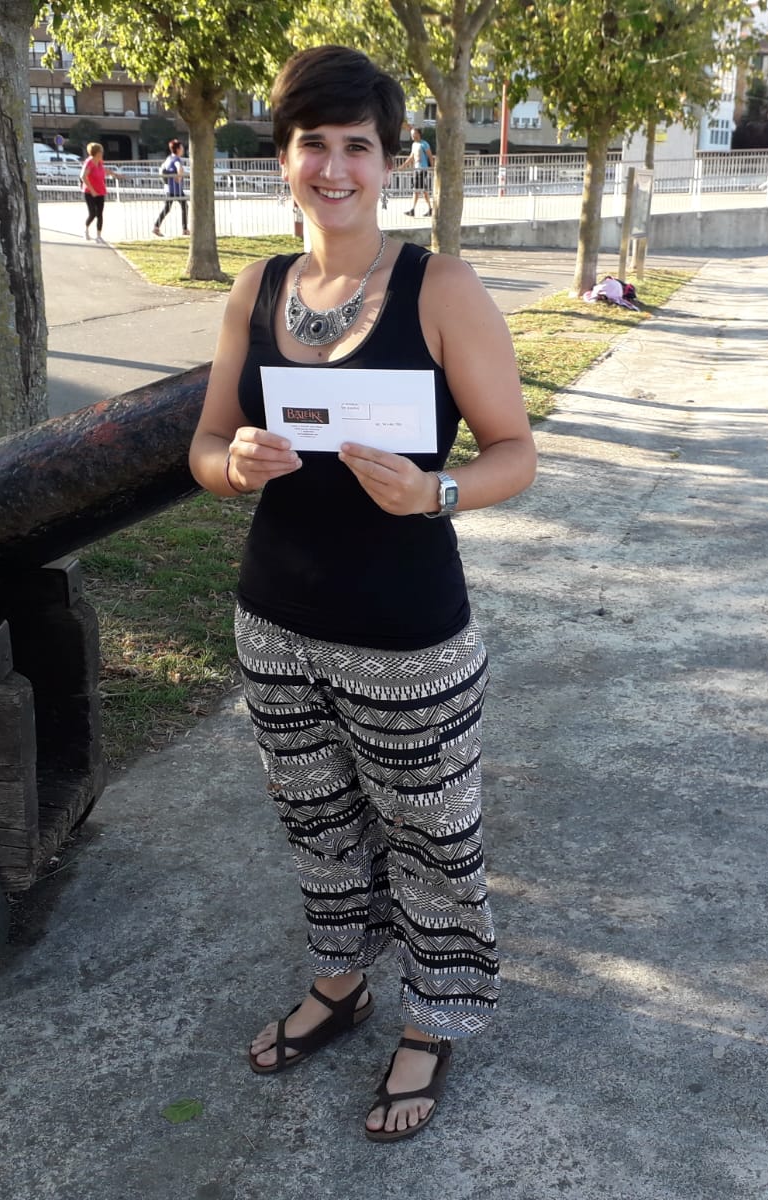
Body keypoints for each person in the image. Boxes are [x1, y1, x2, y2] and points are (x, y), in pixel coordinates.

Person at [188, 44, 536, 1143]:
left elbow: (516, 452)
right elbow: (204, 445)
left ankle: (435, 1018)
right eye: (314, 145)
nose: (333, 168)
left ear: (391, 163)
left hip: (406, 635)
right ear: (283, 158)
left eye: (357, 146)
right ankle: (340, 985)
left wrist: (436, 493)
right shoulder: (258, 289)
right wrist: (232, 465)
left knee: (432, 839)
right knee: (319, 827)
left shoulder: (441, 288)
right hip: (274, 625)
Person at [78, 142, 121, 244]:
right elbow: (83, 176)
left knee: (100, 214)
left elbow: (103, 170)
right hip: (89, 192)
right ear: (96, 152)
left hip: (100, 191)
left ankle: (99, 236)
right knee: (92, 213)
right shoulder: (89, 162)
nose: (102, 153)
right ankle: (86, 229)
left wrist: (114, 174)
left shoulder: (100, 161)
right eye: (101, 151)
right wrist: (92, 191)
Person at [153, 138, 187, 237]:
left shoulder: (169, 158)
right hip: (176, 189)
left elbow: (163, 169)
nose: (183, 149)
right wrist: (179, 177)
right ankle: (184, 229)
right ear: (178, 149)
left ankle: (156, 227)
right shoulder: (177, 159)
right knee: (184, 207)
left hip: (169, 188)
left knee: (169, 208)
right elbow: (179, 167)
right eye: (181, 147)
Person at [404, 125, 432, 217]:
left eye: (414, 133)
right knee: (423, 190)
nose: (412, 135)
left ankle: (413, 210)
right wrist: (403, 166)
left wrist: (432, 167)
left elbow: (430, 156)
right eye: (411, 134)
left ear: (418, 134)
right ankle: (430, 209)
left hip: (422, 169)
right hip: (416, 169)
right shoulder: (414, 145)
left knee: (416, 189)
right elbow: (411, 157)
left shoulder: (424, 144)